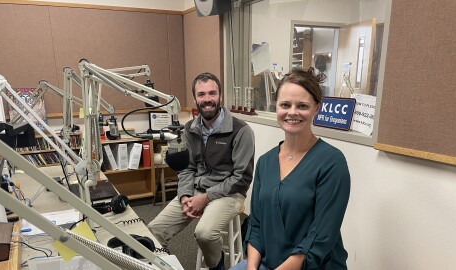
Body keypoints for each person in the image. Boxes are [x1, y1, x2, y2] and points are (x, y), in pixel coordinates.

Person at [231, 67, 350, 270]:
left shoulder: (332, 163)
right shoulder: (265, 162)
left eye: (302, 105)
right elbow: (256, 225)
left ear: (316, 108)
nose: (292, 112)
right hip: (268, 262)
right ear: (276, 106)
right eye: (285, 104)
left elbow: (320, 236)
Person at [148, 72, 255, 270]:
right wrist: (184, 196)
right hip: (196, 190)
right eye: (202, 94)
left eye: (212, 93)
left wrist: (205, 198)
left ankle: (217, 264)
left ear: (220, 97)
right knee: (153, 231)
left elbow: (242, 178)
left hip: (230, 193)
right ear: (195, 98)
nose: (207, 99)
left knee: (204, 233)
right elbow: (187, 168)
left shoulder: (241, 131)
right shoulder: (190, 128)